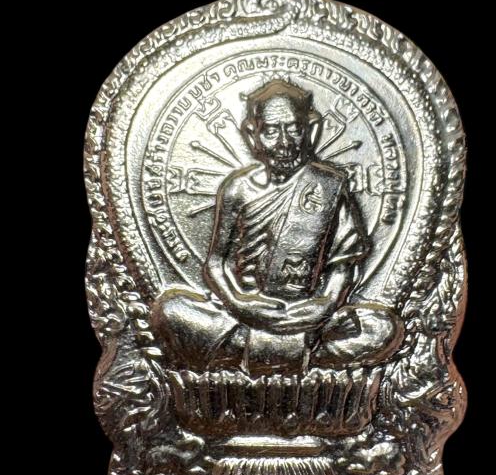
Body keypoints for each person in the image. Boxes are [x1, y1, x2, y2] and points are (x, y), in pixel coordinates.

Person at [152, 80, 401, 375]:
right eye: (271, 131)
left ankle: (253, 348)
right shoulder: (237, 189)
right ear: (252, 134)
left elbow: (342, 266)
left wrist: (326, 304)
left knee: (384, 327)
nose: (284, 142)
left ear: (310, 130)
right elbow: (216, 263)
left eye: (294, 129)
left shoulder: (328, 186)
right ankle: (301, 349)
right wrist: (239, 302)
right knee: (170, 312)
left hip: (309, 315)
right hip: (244, 313)